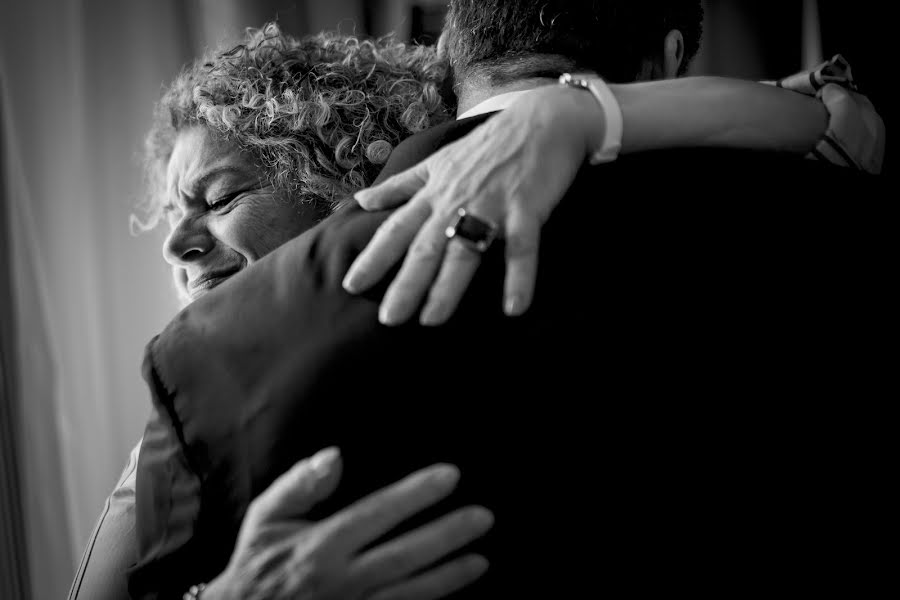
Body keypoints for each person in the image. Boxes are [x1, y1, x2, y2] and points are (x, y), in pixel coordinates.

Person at [122, 3, 887, 599]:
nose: (175, 242)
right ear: (672, 59)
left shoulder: (201, 369)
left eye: (219, 198)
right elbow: (833, 112)